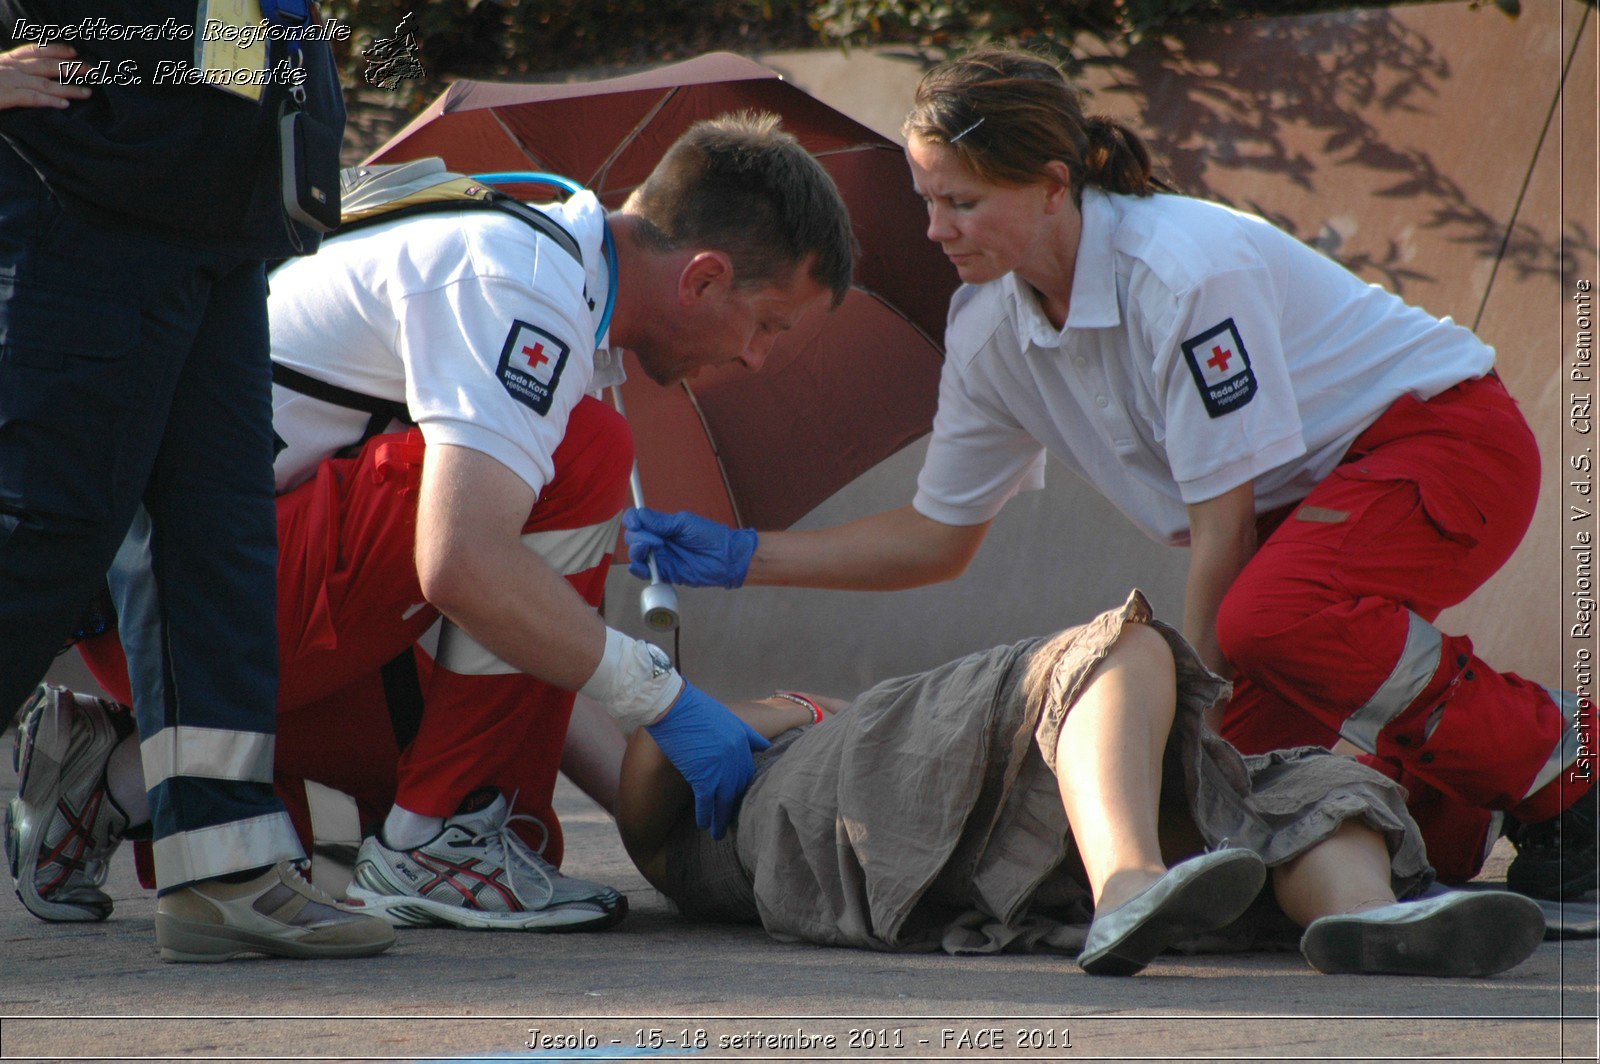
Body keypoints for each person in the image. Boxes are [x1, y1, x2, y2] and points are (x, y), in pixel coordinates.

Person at [625, 49, 1594, 899]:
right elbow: (935, 538)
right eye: (926, 200)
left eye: (962, 201)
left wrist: (1208, 685)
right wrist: (744, 555)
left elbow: (1222, 530)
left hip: (1441, 441)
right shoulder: (987, 330)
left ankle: (1571, 771)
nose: (936, 230)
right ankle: (1464, 829)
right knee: (1235, 790)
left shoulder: (1179, 269)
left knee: (1266, 625)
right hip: (1294, 521)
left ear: (1051, 185)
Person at [14, 112, 857, 932]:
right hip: (186, 614)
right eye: (769, 325)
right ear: (704, 276)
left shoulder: (541, 263)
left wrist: (661, 808)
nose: (756, 358)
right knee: (585, 457)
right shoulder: (518, 283)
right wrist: (666, 700)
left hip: (194, 606)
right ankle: (428, 844)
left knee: (510, 815)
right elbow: (463, 567)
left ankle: (110, 773)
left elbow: (530, 655)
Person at [0, 5, 394, 961]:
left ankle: (222, 868)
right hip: (84, 210)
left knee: (213, 550)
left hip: (221, 216)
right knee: (37, 541)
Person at [614, 592, 1547, 977]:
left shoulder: (762, 813)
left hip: (988, 858)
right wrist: (742, 708)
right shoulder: (723, 813)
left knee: (1283, 785)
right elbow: (648, 775)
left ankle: (1361, 915)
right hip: (872, 808)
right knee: (1116, 648)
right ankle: (1128, 888)